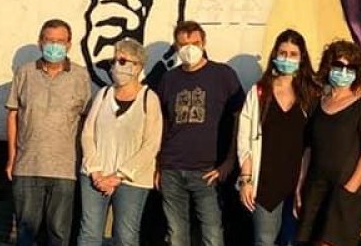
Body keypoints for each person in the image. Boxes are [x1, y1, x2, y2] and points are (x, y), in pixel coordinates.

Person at [155, 20, 245, 246]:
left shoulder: (223, 75)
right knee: (176, 234)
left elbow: (240, 119)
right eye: (183, 44)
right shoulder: (169, 79)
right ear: (176, 47)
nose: (189, 49)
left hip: (208, 171)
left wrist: (229, 162)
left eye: (194, 43)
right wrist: (158, 164)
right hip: (172, 169)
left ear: (204, 43)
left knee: (213, 235)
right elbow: (162, 123)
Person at [6, 19, 91, 246]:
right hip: (28, 166)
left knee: (59, 235)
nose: (55, 46)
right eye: (50, 40)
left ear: (69, 44)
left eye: (60, 41)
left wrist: (83, 159)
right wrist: (12, 157)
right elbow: (13, 115)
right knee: (25, 234)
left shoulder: (80, 76)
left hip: (65, 170)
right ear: (40, 42)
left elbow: (86, 120)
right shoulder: (24, 73)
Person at [237, 29, 320, 246]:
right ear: (274, 55)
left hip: (299, 183)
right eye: (283, 53)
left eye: (293, 54)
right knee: (264, 240)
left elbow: (316, 141)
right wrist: (246, 180)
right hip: (265, 183)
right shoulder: (260, 92)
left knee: (294, 241)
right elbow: (244, 137)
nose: (287, 58)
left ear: (302, 58)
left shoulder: (312, 94)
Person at [78, 39, 163, 246]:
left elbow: (151, 144)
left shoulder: (149, 98)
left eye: (123, 61)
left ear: (138, 66)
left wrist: (118, 176)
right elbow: (88, 132)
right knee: (89, 233)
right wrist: (96, 170)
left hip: (132, 179)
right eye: (115, 61)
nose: (117, 66)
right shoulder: (104, 94)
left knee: (125, 236)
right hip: (95, 175)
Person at [296, 40, 361, 246]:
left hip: (344, 191)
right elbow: (308, 149)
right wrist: (300, 185)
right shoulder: (316, 102)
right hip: (315, 189)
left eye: (350, 67)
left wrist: (350, 189)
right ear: (328, 66)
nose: (343, 71)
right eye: (338, 66)